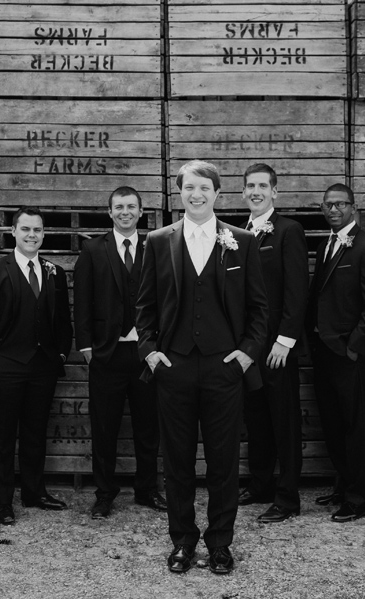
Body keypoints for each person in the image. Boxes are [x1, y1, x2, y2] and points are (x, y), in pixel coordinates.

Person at [136, 160, 268, 575]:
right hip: (173, 367)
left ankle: (219, 544)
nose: (197, 195)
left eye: (204, 188)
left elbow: (259, 308)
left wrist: (246, 353)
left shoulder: (241, 241)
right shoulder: (158, 240)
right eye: (189, 187)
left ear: (216, 193)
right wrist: (151, 352)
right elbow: (145, 306)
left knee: (223, 461)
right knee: (176, 461)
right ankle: (182, 541)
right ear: (179, 192)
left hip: (222, 368)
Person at [0, 207, 73, 526]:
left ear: (44, 234)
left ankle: (33, 491)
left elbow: (62, 320)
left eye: (38, 230)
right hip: (5, 367)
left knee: (35, 432)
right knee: (1, 435)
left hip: (43, 366)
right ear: (12, 232)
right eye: (25, 229)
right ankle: (3, 502)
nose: (32, 235)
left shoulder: (55, 271)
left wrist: (61, 355)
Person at [73, 186, 167, 519]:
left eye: (131, 207)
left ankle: (146, 490)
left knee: (148, 426)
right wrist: (86, 347)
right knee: (104, 427)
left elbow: (166, 298)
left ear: (141, 212)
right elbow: (82, 299)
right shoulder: (93, 249)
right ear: (109, 212)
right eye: (118, 207)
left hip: (146, 355)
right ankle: (104, 493)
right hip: (107, 354)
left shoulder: (157, 244)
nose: (125, 212)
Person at [306, 184, 365, 522]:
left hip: (349, 353)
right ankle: (343, 485)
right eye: (328, 204)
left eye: (341, 204)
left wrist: (355, 347)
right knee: (334, 423)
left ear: (353, 208)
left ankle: (360, 499)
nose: (334, 210)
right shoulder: (326, 244)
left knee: (356, 426)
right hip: (324, 351)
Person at [236, 164, 309, 523]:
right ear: (243, 191)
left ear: (275, 192)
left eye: (263, 186)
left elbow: (297, 291)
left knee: (284, 421)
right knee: (257, 418)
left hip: (278, 347)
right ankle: (260, 484)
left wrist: (285, 341)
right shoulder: (237, 233)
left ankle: (288, 497)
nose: (256, 191)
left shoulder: (288, 231)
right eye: (250, 186)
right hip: (249, 347)